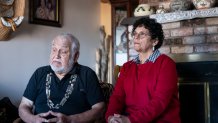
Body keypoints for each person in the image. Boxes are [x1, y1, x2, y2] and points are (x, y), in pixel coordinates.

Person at [105, 17, 180, 123]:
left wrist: (130, 120)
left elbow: (159, 102)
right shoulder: (127, 67)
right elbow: (117, 96)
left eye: (142, 34)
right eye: (135, 34)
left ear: (155, 41)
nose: (136, 37)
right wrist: (111, 117)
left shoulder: (166, 64)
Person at [19, 33, 105, 123]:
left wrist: (70, 120)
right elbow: (24, 106)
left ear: (75, 56)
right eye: (54, 50)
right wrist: (33, 120)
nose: (57, 55)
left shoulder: (87, 74)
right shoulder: (39, 73)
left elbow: (100, 108)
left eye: (63, 51)